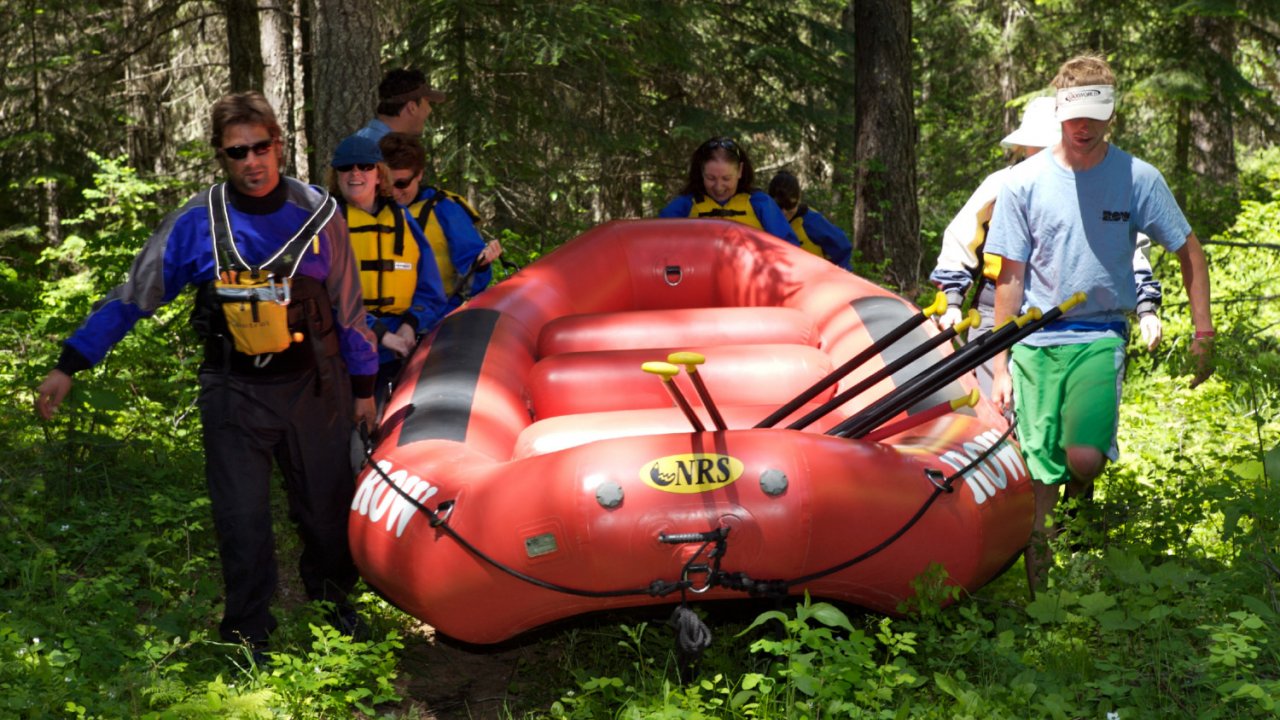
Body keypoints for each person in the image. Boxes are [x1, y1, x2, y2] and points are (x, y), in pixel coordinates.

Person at [33, 92, 380, 655]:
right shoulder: (197, 221)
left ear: (278, 145)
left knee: (325, 510)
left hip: (316, 388)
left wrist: (364, 388)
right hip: (233, 391)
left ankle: (335, 606)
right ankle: (248, 632)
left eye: (260, 147)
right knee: (241, 517)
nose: (251, 162)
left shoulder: (320, 214)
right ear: (221, 156)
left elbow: (349, 309)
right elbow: (135, 293)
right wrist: (71, 362)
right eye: (237, 152)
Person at [984, 55, 1214, 593]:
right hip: (1035, 340)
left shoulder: (1137, 178)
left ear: (1112, 114)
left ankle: (1080, 507)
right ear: (1058, 112)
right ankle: (1044, 602)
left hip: (1099, 333)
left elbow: (1189, 252)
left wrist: (1203, 332)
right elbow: (1009, 278)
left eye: (1094, 115)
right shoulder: (1023, 183)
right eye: (1073, 116)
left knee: (1083, 459)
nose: (1083, 127)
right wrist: (999, 365)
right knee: (1041, 479)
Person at [929, 96, 1165, 396]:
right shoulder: (1002, 184)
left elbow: (1127, 252)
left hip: (1068, 319)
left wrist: (1146, 307)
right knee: (1000, 404)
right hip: (995, 313)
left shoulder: (1097, 190)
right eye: (1033, 147)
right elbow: (962, 240)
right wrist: (952, 301)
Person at [326, 134, 447, 402]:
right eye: (346, 167)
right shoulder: (329, 224)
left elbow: (430, 289)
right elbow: (328, 296)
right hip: (345, 353)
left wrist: (410, 325)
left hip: (396, 353)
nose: (355, 173)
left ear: (379, 174)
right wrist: (380, 334)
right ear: (336, 176)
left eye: (365, 166)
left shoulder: (403, 220)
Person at [378, 132, 502, 311]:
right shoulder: (367, 208)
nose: (394, 192)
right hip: (379, 318)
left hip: (435, 316)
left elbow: (472, 284)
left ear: (419, 175)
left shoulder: (446, 209)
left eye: (402, 183)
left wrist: (481, 264)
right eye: (386, 184)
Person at [658, 136, 801, 246]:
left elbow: (790, 250)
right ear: (701, 172)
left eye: (726, 178)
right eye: (711, 178)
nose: (718, 187)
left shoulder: (760, 204)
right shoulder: (684, 205)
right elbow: (657, 241)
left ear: (740, 171)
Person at [766, 170, 853, 270]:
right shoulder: (764, 219)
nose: (784, 212)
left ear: (799, 199)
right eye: (778, 206)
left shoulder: (812, 221)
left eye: (789, 205)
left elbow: (843, 248)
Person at [355, 68, 446, 143]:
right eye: (427, 102)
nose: (430, 109)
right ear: (412, 107)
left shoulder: (362, 139)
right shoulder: (384, 151)